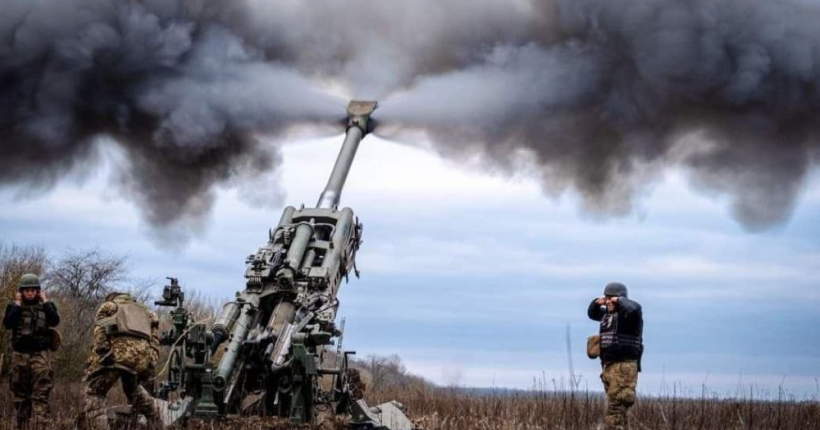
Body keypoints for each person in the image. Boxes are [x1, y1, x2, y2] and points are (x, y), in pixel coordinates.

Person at [81, 292, 161, 430]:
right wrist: (149, 361)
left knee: (95, 393)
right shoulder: (147, 312)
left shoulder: (110, 306)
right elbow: (154, 340)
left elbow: (100, 328)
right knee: (134, 390)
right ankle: (157, 422)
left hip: (116, 356)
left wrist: (103, 352)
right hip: (139, 360)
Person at [2, 273, 60, 429]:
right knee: (20, 396)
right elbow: (8, 323)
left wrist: (46, 301)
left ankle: (43, 426)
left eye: (33, 290)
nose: (30, 293)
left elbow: (55, 320)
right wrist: (17, 304)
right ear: (21, 291)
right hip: (20, 356)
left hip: (40, 355)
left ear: (38, 291)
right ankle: (22, 426)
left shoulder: (47, 306)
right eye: (27, 290)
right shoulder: (14, 307)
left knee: (41, 394)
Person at [588, 282, 643, 430]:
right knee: (618, 413)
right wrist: (596, 302)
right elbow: (592, 313)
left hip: (624, 369)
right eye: (606, 298)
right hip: (609, 368)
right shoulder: (608, 316)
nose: (608, 302)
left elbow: (634, 308)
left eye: (611, 298)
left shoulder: (630, 317)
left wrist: (618, 300)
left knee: (615, 412)